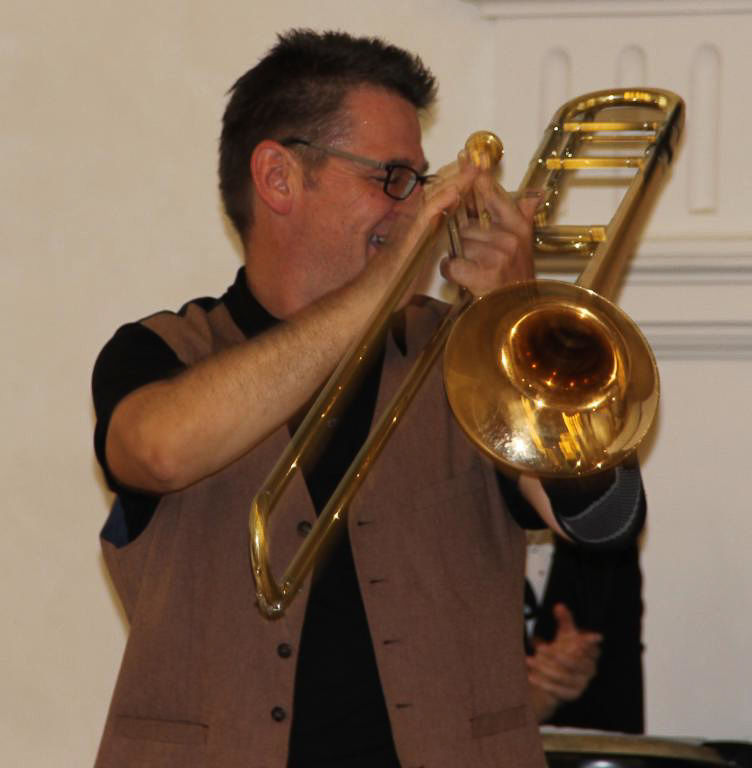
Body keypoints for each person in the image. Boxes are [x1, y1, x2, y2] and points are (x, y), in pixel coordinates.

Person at [90, 29, 646, 768]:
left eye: (419, 181)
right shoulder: (160, 353)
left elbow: (606, 519)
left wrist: (516, 316)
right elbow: (158, 452)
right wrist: (385, 284)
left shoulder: (467, 357)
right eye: (392, 178)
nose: (418, 208)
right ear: (279, 177)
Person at [525, 532, 645, 732]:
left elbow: (620, 689)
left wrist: (563, 670)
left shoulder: (608, 536)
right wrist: (534, 698)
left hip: (579, 743)